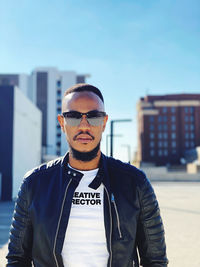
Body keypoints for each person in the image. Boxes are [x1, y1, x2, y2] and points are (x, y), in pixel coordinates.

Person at [6, 83, 168, 267]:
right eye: (74, 116)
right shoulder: (35, 184)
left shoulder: (135, 183)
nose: (84, 125)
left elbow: (155, 261)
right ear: (62, 123)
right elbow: (17, 259)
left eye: (93, 116)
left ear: (104, 122)